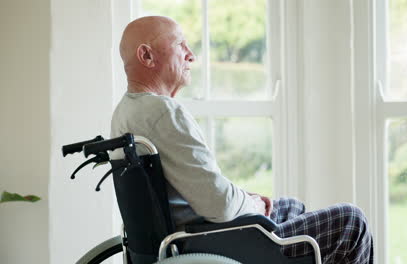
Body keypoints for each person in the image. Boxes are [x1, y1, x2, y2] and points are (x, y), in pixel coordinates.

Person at [111, 16, 373, 264]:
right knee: (351, 221)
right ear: (146, 56)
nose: (191, 54)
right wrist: (254, 204)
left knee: (292, 207)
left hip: (187, 234)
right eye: (180, 45)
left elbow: (199, 188)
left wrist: (246, 198)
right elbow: (220, 205)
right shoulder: (163, 112)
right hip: (208, 241)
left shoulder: (125, 112)